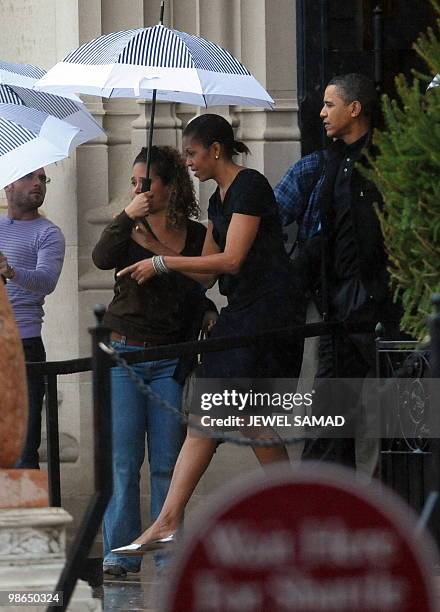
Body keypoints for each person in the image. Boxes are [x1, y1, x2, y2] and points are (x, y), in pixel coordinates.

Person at [111, 113, 305, 555]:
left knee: (222, 416)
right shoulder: (219, 199)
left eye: (193, 153)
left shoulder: (250, 185)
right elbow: (205, 276)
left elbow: (231, 261)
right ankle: (294, 514)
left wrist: (163, 263)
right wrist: (155, 247)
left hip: (268, 317)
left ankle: (169, 520)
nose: (189, 162)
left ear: (216, 150)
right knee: (248, 423)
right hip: (245, 314)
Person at [92, 145, 217, 577]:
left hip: (169, 358)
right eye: (134, 183)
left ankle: (167, 556)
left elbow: (200, 280)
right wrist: (127, 216)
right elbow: (100, 258)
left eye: (146, 183)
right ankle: (121, 554)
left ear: (171, 185)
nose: (139, 189)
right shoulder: (130, 225)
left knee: (168, 461)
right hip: (124, 351)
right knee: (124, 462)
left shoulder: (198, 234)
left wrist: (161, 255)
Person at [277, 73, 401, 470]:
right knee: (328, 422)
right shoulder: (331, 161)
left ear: (355, 108)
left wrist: (381, 295)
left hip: (381, 310)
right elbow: (323, 234)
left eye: (330, 104)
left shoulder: (386, 159)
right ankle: (324, 507)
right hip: (337, 310)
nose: (322, 112)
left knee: (403, 421)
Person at [0, 168, 65, 469]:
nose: (38, 183)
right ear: (8, 183)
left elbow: (46, 281)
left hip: (23, 344)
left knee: (23, 448)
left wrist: (11, 272)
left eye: (42, 178)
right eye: (29, 176)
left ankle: (28, 515)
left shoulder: (48, 233)